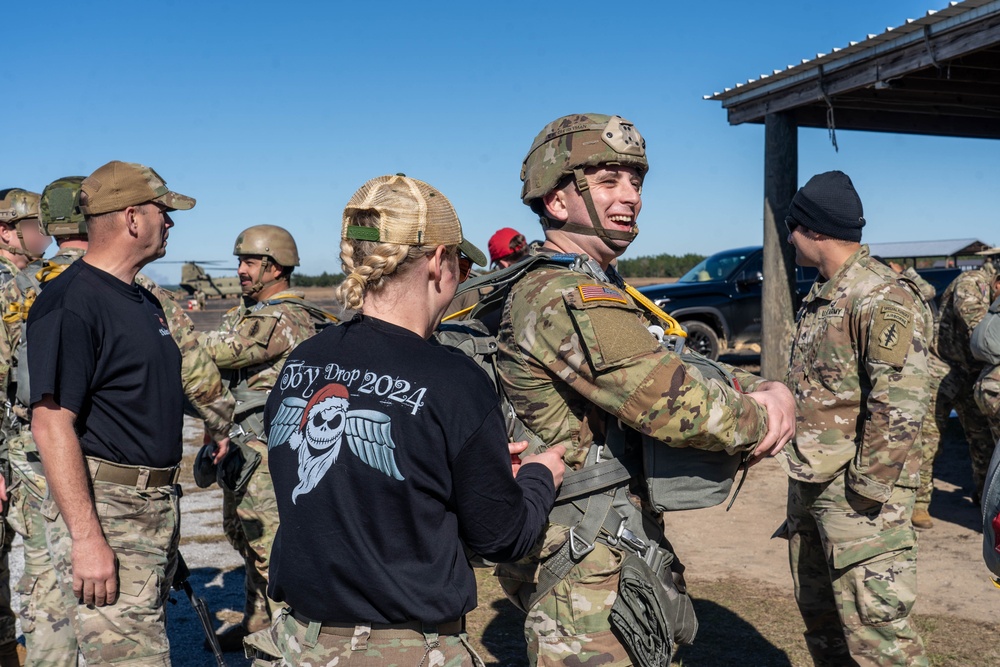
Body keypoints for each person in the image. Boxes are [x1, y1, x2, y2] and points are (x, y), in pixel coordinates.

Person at [494, 113, 795, 666]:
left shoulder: (597, 285)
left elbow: (676, 361)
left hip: (609, 539)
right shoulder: (565, 293)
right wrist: (767, 413)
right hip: (585, 556)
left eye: (636, 182)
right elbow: (674, 404)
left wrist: (762, 384)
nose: (630, 196)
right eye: (608, 181)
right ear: (556, 202)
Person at [243, 174, 565, 665]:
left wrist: (473, 471)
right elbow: (500, 537)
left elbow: (361, 493)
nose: (459, 274)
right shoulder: (453, 379)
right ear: (438, 262)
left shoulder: (304, 360)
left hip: (298, 642)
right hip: (401, 649)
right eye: (459, 261)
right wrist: (541, 477)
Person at [26, 160, 197, 665]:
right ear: (131, 219)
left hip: (152, 506)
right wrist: (88, 538)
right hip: (110, 509)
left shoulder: (140, 299)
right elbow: (50, 423)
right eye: (162, 212)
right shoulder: (71, 303)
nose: (170, 222)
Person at [779, 171, 932, 666]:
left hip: (861, 501)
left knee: (880, 639)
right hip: (814, 487)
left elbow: (900, 405)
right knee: (825, 627)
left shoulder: (882, 297)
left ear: (816, 231)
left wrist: (865, 492)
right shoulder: (825, 295)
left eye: (792, 225)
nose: (788, 236)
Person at [197, 224, 330, 651]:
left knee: (273, 551)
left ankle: (290, 645)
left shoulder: (281, 318)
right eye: (240, 262)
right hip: (245, 452)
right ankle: (258, 626)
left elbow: (211, 351)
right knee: (245, 537)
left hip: (270, 455)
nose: (240, 271)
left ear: (274, 267)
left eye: (249, 262)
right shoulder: (253, 314)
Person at [0, 187, 50, 666]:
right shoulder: (4, 288)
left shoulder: (33, 281)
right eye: (35, 227)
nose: (45, 235)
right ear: (6, 232)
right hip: (10, 448)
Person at [885, 259, 949, 529]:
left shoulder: (909, 288)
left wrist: (905, 273)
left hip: (925, 373)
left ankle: (920, 503)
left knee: (927, 440)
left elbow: (928, 290)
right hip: (893, 376)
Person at [936, 247, 1000, 505]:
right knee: (929, 440)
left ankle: (985, 499)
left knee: (981, 441)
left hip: (974, 371)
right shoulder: (971, 282)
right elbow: (982, 337)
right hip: (945, 368)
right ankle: (919, 504)